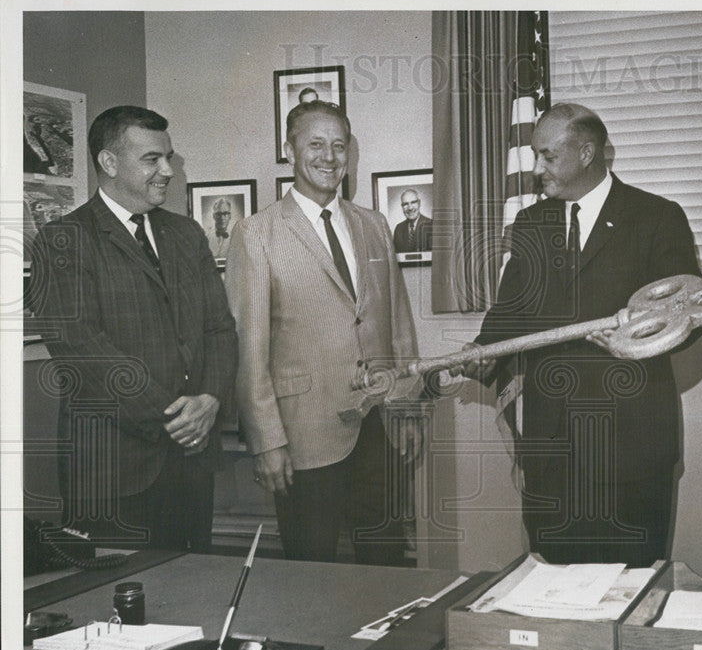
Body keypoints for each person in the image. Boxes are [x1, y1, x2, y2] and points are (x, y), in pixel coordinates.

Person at [466, 103, 701, 567]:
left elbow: (690, 316)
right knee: (554, 592)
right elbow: (511, 309)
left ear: (588, 153)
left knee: (628, 591)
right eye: (536, 155)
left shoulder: (656, 217)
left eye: (548, 157)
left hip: (629, 449)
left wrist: (637, 338)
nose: (536, 169)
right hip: (551, 451)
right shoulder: (532, 225)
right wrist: (482, 349)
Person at [28, 105, 238, 552]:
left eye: (168, 157)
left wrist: (211, 399)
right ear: (108, 163)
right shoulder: (63, 239)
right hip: (114, 474)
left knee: (195, 598)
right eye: (152, 159)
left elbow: (220, 329)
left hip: (191, 461)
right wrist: (177, 419)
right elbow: (82, 350)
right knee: (120, 612)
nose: (167, 170)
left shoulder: (187, 235)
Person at [225, 100, 419, 565]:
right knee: (311, 571)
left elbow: (399, 325)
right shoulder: (257, 233)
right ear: (288, 150)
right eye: (315, 145)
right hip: (303, 437)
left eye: (339, 146)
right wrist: (267, 442)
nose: (329, 157)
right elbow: (249, 351)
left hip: (379, 424)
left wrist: (408, 407)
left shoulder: (373, 225)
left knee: (388, 567)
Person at [392, 189, 433, 255]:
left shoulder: (433, 226)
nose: (410, 208)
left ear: (419, 203)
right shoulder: (398, 229)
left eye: (413, 202)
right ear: (402, 207)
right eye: (405, 204)